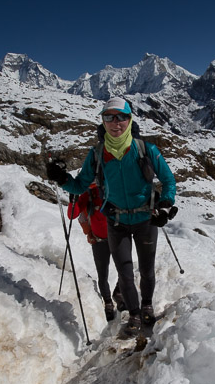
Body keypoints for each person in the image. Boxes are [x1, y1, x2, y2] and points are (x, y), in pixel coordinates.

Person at [47, 97, 177, 336]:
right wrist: (62, 178)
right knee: (125, 272)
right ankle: (135, 315)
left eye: (122, 117)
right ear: (103, 121)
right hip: (115, 222)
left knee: (147, 270)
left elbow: (168, 181)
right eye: (109, 117)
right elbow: (79, 187)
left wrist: (166, 203)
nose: (116, 123)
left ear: (130, 120)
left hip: (145, 219)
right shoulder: (96, 154)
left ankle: (147, 305)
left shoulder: (146, 149)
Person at [66, 182, 123, 322]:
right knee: (103, 274)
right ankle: (108, 302)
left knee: (124, 270)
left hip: (116, 238)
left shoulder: (114, 188)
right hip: (99, 240)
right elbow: (72, 215)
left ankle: (119, 293)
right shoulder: (87, 194)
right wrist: (72, 200)